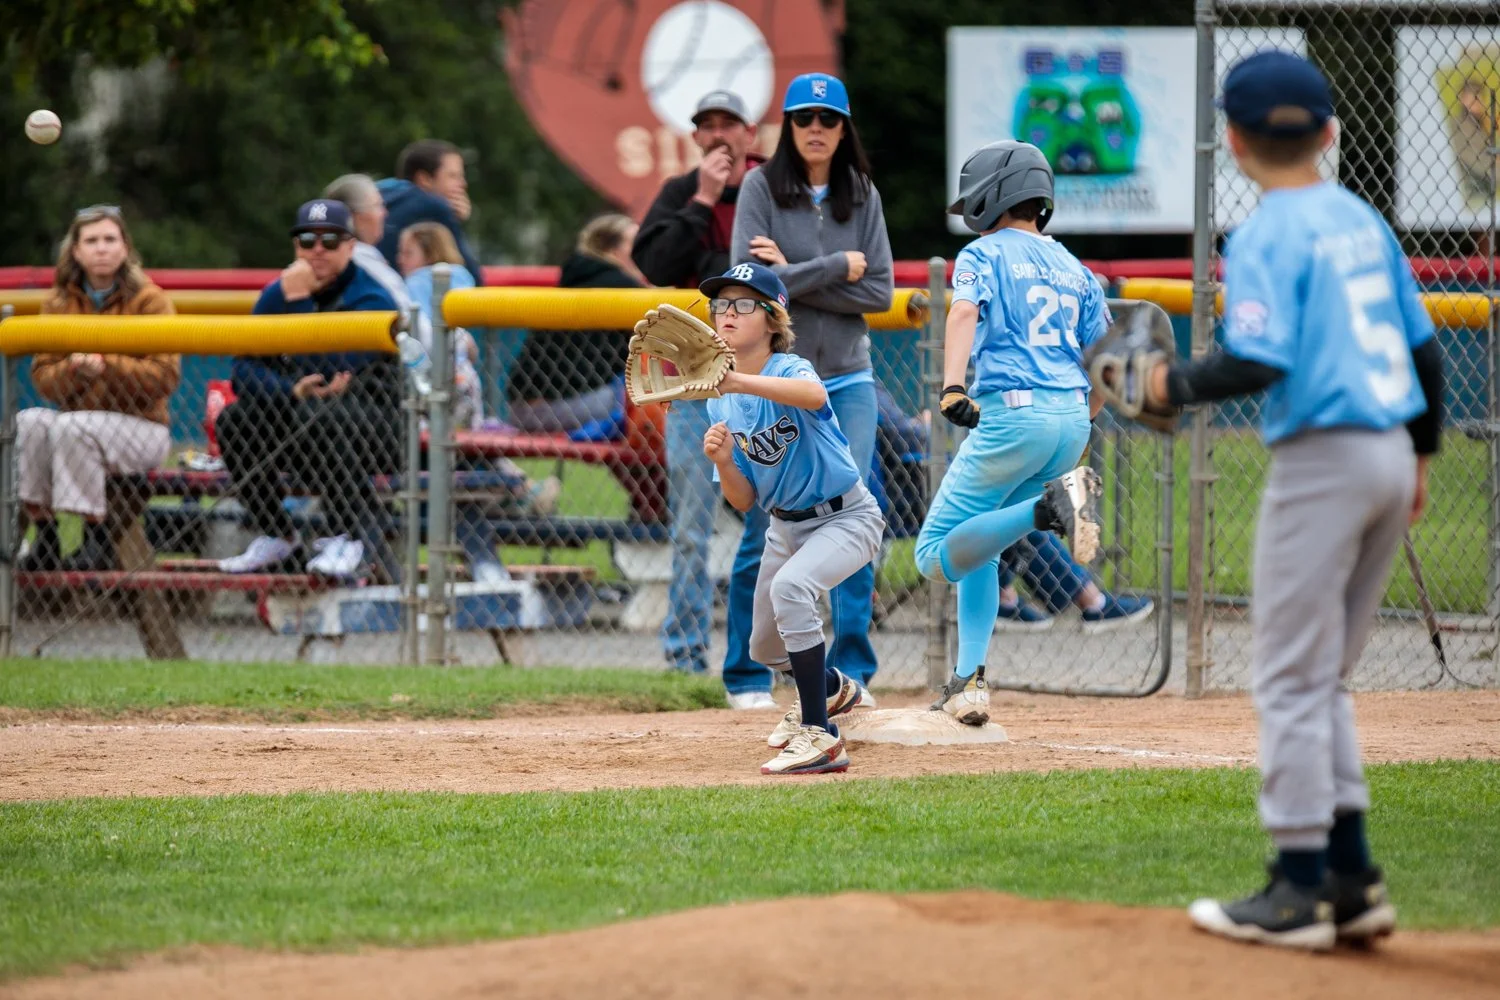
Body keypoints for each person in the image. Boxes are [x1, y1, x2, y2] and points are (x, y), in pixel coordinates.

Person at [1162, 51, 1442, 951]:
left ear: (1234, 141)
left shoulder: (1265, 234)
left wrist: (1170, 384)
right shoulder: (1362, 217)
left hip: (1323, 459)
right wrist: (1420, 457)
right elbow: (1425, 348)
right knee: (1323, 675)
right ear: (1328, 132)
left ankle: (1296, 888)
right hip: (1390, 449)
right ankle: (1353, 881)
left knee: (1288, 674)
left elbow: (1256, 359)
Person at [913, 139, 1108, 728]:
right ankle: (968, 683)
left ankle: (1048, 510)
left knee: (933, 556)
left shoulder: (984, 252)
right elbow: (1106, 356)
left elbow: (963, 311)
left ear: (993, 195)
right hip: (1069, 419)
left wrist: (953, 386)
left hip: (1015, 414)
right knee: (981, 546)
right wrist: (1086, 418)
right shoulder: (1074, 266)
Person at [729, 72, 893, 702]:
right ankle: (749, 673)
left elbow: (878, 292)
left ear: (844, 128)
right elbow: (749, 288)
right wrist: (833, 267)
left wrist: (790, 275)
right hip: (773, 379)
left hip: (846, 376)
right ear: (789, 127)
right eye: (803, 118)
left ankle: (851, 673)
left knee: (850, 507)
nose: (816, 129)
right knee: (766, 521)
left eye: (828, 119)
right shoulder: (760, 187)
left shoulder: (862, 193)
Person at [698, 262, 884, 775]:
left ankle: (821, 735)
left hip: (846, 517)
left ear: (772, 318)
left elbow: (815, 396)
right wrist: (723, 461)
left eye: (743, 304)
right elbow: (743, 500)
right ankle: (832, 689)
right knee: (763, 646)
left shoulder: (788, 368)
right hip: (785, 526)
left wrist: (737, 379)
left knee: (792, 589)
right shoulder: (721, 405)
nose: (727, 313)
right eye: (720, 305)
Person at [632, 90, 769, 702]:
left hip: (764, 381)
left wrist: (713, 259)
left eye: (728, 124)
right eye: (706, 126)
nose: (718, 135)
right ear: (694, 138)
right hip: (694, 381)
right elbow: (658, 263)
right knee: (690, 527)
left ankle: (773, 655)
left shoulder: (772, 186)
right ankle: (685, 656)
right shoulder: (683, 192)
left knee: (775, 523)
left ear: (749, 133)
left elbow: (758, 270)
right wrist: (703, 201)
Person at [216, 199, 404, 581]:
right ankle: (277, 534)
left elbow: (327, 370)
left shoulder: (371, 297)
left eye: (330, 241)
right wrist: (290, 390)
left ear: (350, 246)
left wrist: (299, 302)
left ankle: (349, 536)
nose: (317, 250)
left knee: (318, 415)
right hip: (304, 421)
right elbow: (243, 370)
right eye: (307, 241)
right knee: (235, 420)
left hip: (375, 427)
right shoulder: (279, 293)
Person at [871, 380, 1152, 631]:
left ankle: (1004, 595)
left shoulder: (857, 380)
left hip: (905, 492)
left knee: (1012, 503)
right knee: (1014, 508)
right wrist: (923, 425)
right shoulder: (863, 382)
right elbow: (905, 439)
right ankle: (1088, 601)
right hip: (908, 498)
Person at [18, 205, 181, 572]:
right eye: (91, 241)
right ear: (76, 251)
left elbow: (164, 378)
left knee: (73, 427)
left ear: (125, 247)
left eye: (110, 239)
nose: (102, 248)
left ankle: (98, 538)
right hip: (75, 426)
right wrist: (75, 371)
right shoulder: (59, 302)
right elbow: (43, 379)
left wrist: (107, 364)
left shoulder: (150, 299)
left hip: (142, 428)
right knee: (29, 422)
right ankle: (46, 534)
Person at [505, 214, 642, 434]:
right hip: (570, 408)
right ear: (613, 250)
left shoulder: (571, 280)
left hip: (517, 412)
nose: (644, 250)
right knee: (653, 392)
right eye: (635, 243)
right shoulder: (622, 286)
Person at [376, 139, 483, 284]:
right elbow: (472, 279)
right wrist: (452, 219)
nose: (463, 184)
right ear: (424, 179)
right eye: (453, 176)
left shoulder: (380, 194)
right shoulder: (434, 206)